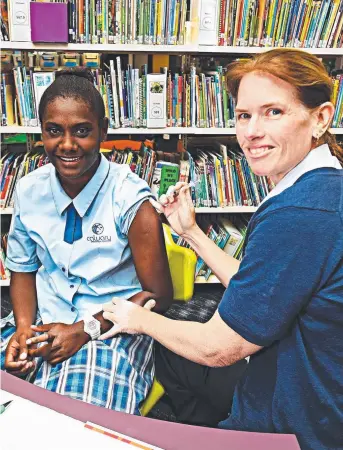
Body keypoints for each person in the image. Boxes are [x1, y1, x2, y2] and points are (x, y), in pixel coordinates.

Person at [98, 49, 343, 450]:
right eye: (244, 115)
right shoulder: (322, 187)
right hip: (305, 395)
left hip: (293, 427)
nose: (251, 131)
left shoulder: (299, 214)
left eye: (273, 112)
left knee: (171, 348)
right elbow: (262, 290)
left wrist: (138, 320)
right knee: (176, 360)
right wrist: (191, 232)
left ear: (320, 117)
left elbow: (219, 348)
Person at [0, 69, 173, 415]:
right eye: (54, 131)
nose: (66, 144)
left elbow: (159, 295)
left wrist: (85, 328)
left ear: (103, 131)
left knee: (68, 414)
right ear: (41, 133)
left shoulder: (131, 200)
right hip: (43, 320)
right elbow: (22, 267)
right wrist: (22, 328)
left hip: (111, 328)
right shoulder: (30, 190)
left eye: (81, 130)